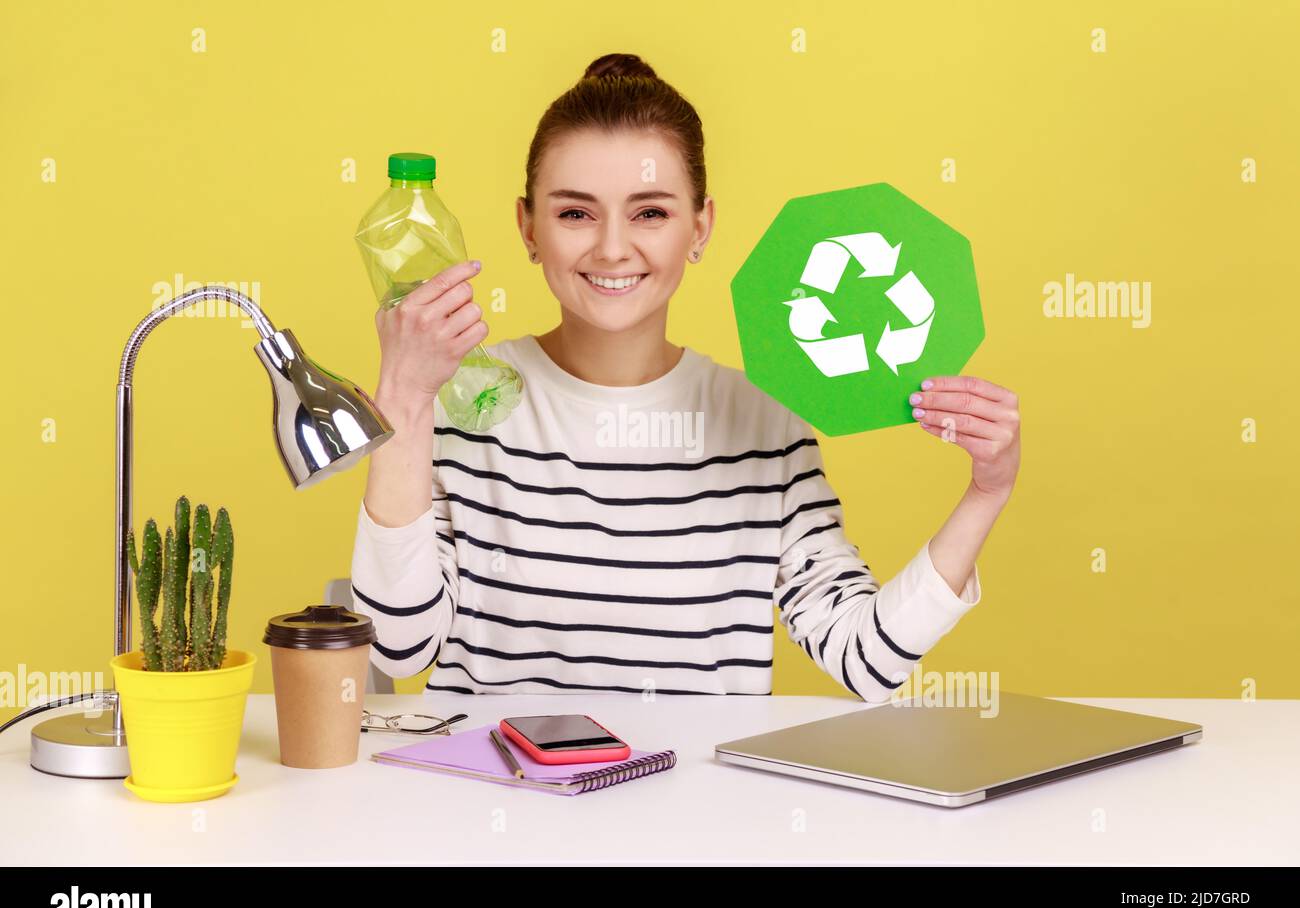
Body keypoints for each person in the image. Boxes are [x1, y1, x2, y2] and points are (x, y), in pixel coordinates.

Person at [351, 52, 1020, 698]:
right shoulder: (467, 402)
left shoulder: (765, 426)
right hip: (497, 797)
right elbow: (396, 645)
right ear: (528, 227)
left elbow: (865, 659)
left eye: (651, 212)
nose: (613, 248)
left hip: (693, 811)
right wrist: (405, 401)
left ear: (701, 226)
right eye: (575, 212)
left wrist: (987, 491)